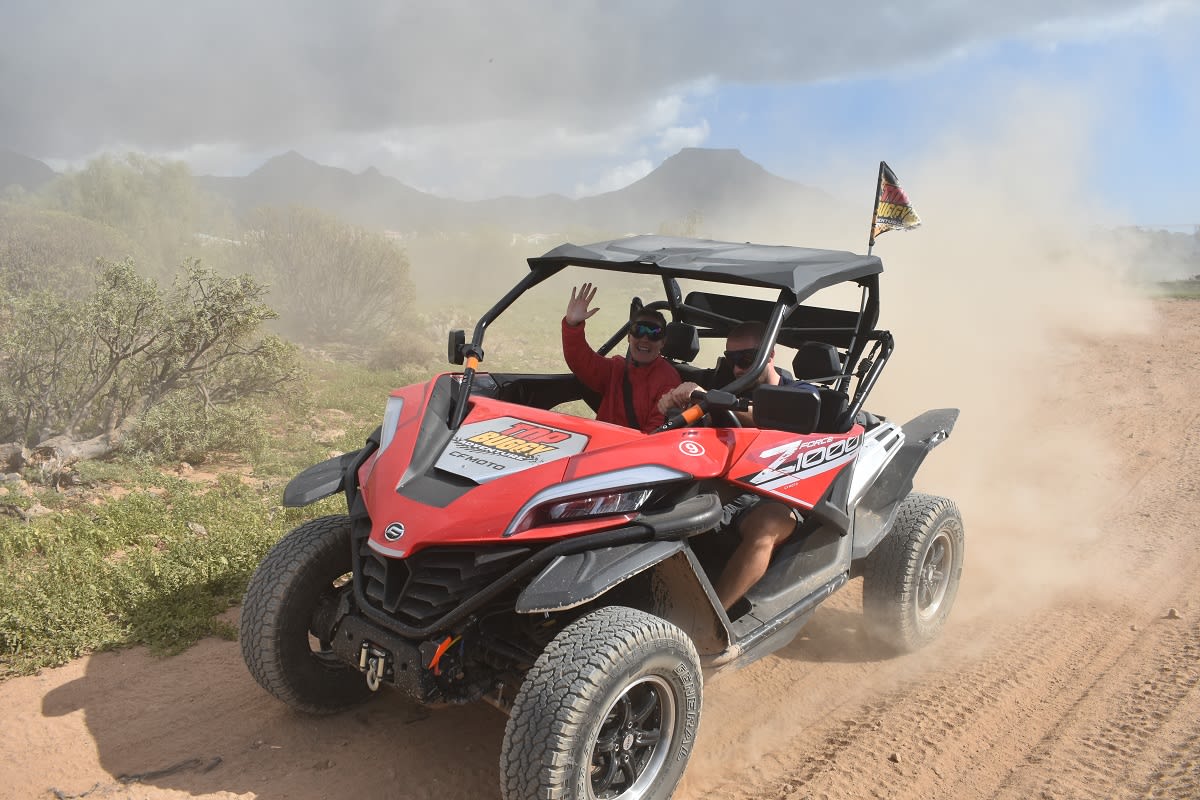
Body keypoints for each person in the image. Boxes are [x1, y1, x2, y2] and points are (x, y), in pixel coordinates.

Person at [656, 320, 800, 611]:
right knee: (662, 503)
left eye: (746, 359)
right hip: (725, 481)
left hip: (778, 492)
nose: (737, 369)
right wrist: (677, 405)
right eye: (731, 359)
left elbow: (780, 419)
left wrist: (713, 399)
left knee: (767, 525)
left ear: (770, 355)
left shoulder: (798, 394)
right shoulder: (727, 386)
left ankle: (710, 619)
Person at [561, 282, 681, 433]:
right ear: (629, 337)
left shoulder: (668, 380)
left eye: (654, 333)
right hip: (601, 441)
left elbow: (655, 434)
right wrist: (572, 324)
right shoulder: (616, 369)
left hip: (633, 447)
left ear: (662, 342)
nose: (645, 338)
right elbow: (581, 361)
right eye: (638, 330)